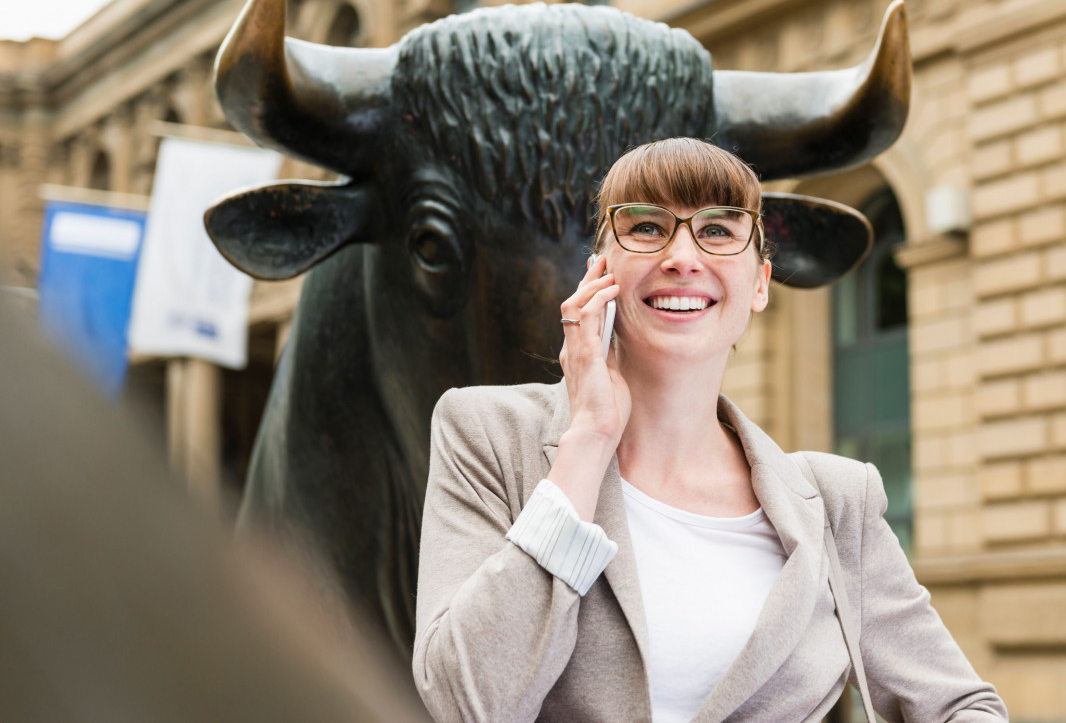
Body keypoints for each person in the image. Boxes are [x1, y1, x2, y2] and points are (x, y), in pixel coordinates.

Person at [412, 137, 1008, 722]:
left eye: (719, 231)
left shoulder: (836, 505)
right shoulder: (487, 436)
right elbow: (465, 703)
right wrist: (588, 440)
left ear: (759, 284)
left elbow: (963, 706)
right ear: (599, 273)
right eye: (646, 227)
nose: (682, 256)